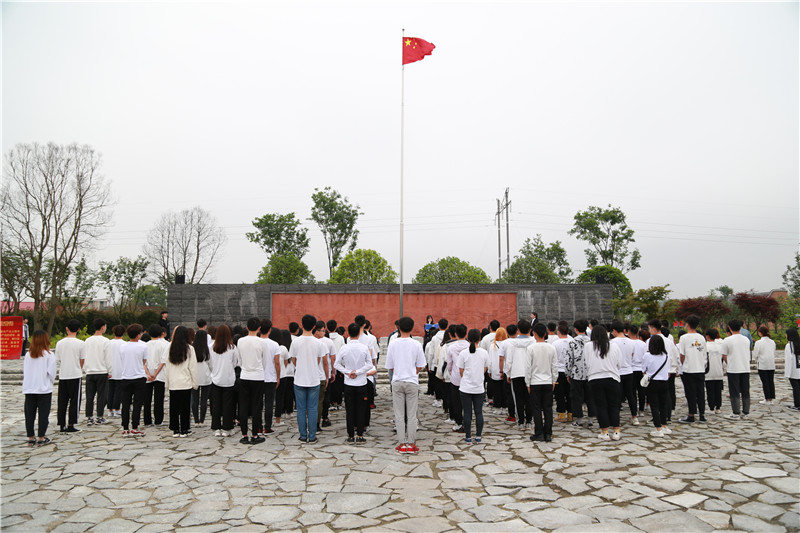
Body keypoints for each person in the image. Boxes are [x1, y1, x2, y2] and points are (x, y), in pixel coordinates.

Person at [386, 316, 427, 452]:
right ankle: (411, 443)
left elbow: (390, 366)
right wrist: (414, 372)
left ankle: (402, 443)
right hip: (412, 381)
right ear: (412, 328)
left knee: (399, 414)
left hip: (397, 381)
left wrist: (399, 371)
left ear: (398, 327)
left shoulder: (393, 344)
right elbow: (421, 364)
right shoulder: (416, 344)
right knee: (411, 414)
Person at [335, 322, 376, 444]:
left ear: (348, 333)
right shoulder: (364, 348)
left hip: (348, 383)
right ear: (359, 333)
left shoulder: (344, 348)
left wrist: (348, 372)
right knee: (361, 409)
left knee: (350, 409)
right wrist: (358, 372)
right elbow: (369, 364)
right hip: (361, 383)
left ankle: (350, 435)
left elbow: (336, 364)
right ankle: (360, 434)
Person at [291, 314, 325, 444]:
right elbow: (318, 360)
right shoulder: (318, 343)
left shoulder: (295, 341)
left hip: (299, 378)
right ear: (314, 327)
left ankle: (302, 435)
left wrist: (300, 367)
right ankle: (312, 436)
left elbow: (293, 359)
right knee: (312, 408)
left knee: (300, 409)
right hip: (313, 379)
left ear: (302, 324)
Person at [585, 325, 623, 441]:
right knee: (614, 405)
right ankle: (616, 431)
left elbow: (587, 362)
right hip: (612, 377)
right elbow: (619, 363)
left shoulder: (588, 346)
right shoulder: (613, 345)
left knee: (600, 406)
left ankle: (605, 432)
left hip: (595, 378)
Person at [23, 330, 57, 447]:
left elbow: (26, 370)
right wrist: (50, 382)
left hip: (30, 387)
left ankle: (31, 437)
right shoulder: (49, 355)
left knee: (29, 414)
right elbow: (52, 373)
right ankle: (41, 437)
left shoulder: (28, 355)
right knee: (43, 414)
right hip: (44, 388)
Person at [500, 320, 536, 431]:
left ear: (518, 330)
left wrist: (508, 373)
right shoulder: (534, 341)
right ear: (530, 329)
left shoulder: (512, 343)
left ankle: (520, 421)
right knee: (529, 398)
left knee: (518, 398)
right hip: (530, 373)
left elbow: (509, 360)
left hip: (516, 373)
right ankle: (529, 421)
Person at [237, 318, 268, 444]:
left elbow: (239, 360)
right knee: (257, 406)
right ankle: (255, 435)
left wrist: (245, 367)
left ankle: (244, 434)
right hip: (258, 376)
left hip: (244, 375)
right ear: (259, 328)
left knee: (243, 406)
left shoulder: (240, 341)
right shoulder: (262, 342)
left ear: (247, 327)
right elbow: (265, 361)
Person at [457, 328, 490, 444]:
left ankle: (468, 437)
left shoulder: (463, 353)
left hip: (466, 387)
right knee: (479, 412)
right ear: (479, 339)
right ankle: (478, 436)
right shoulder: (484, 353)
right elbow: (485, 369)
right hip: (479, 387)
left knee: (467, 413)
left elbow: (461, 371)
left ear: (468, 338)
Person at [526, 323, 558, 442]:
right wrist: (554, 380)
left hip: (535, 382)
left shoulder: (531, 348)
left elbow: (528, 367)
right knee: (548, 408)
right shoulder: (551, 348)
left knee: (536, 409)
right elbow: (554, 366)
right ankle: (548, 433)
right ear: (545, 333)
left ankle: (539, 433)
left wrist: (527, 383)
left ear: (534, 334)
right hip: (548, 381)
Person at [165, 326, 198, 438]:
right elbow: (193, 367)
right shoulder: (189, 349)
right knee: (185, 407)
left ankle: (175, 429)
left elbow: (167, 367)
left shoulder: (170, 348)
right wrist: (195, 383)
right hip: (185, 382)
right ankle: (184, 429)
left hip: (173, 382)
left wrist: (167, 383)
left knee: (174, 407)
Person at [118, 324, 150, 437]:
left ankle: (125, 428)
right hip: (139, 377)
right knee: (137, 404)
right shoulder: (143, 346)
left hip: (125, 377)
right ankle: (135, 427)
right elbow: (144, 361)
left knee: (125, 404)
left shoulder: (123, 346)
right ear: (138, 335)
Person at [55, 319, 85, 433]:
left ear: (66, 328)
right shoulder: (81, 343)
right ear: (78, 329)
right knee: (74, 401)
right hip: (75, 374)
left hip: (63, 374)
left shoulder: (59, 343)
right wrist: (78, 367)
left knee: (62, 401)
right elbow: (82, 359)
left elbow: (59, 359)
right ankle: (71, 424)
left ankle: (62, 424)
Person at [677, 315, 708, 423]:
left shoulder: (684, 338)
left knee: (690, 393)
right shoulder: (702, 337)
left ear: (687, 324)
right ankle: (702, 415)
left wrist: (683, 363)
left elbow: (682, 354)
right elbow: (704, 353)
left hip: (689, 369)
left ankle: (691, 415)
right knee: (700, 392)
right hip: (700, 368)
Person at [209, 324, 238, 436]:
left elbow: (210, 363)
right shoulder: (232, 348)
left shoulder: (211, 347)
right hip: (228, 379)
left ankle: (216, 428)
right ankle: (227, 428)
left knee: (216, 405)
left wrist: (215, 371)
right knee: (228, 405)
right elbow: (235, 363)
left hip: (216, 378)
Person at [720, 319, 752, 420]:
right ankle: (746, 412)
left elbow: (724, 354)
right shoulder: (746, 339)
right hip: (745, 368)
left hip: (733, 368)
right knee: (745, 391)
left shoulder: (727, 340)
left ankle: (736, 412)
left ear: (729, 328)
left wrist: (729, 363)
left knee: (734, 391)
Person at [565, 319, 593, 428]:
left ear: (575, 329)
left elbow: (569, 359)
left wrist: (568, 373)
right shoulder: (591, 341)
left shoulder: (572, 342)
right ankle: (590, 419)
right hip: (590, 373)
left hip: (576, 373)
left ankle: (579, 420)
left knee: (576, 397)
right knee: (590, 396)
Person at [643, 334, 672, 438]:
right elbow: (668, 370)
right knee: (663, 405)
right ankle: (664, 425)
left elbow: (644, 369)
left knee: (654, 406)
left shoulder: (647, 356)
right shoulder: (666, 356)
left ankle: (658, 428)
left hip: (653, 382)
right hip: (664, 382)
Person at [83, 318, 111, 426]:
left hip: (90, 371)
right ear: (103, 327)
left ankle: (89, 417)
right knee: (101, 396)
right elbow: (108, 358)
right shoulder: (105, 341)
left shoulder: (87, 341)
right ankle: (99, 416)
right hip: (102, 371)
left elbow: (85, 356)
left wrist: (86, 368)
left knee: (89, 396)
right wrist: (110, 370)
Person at [611, 321, 638, 426]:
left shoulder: (613, 343)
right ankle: (634, 417)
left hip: (617, 372)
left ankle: (615, 417)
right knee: (630, 394)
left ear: (614, 330)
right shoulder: (631, 342)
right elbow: (632, 356)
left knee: (617, 395)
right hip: (629, 371)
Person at [259, 319, 282, 435]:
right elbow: (277, 363)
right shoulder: (274, 344)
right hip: (270, 377)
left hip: (257, 377)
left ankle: (258, 426)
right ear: (270, 330)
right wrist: (278, 377)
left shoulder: (256, 342)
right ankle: (267, 426)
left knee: (258, 403)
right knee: (269, 403)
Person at [446, 324, 470, 433]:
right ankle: (467, 422)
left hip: (455, 377)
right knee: (467, 402)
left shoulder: (451, 347)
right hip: (468, 377)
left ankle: (459, 423)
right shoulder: (470, 346)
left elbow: (449, 364)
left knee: (456, 402)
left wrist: (451, 373)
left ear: (455, 334)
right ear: (466, 333)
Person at [144, 325, 168, 427]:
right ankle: (158, 420)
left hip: (148, 375)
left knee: (147, 399)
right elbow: (163, 361)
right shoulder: (164, 345)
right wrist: (155, 374)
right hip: (160, 374)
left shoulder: (145, 345)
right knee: (159, 398)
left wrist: (148, 373)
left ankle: (147, 420)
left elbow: (143, 362)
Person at [192, 330, 213, 427]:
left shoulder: (192, 349)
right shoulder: (207, 349)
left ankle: (196, 420)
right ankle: (202, 420)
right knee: (204, 400)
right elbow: (211, 364)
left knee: (195, 400)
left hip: (194, 376)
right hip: (205, 376)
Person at [552, 322, 572, 422]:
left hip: (559, 371)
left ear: (558, 332)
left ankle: (561, 414)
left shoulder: (555, 343)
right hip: (570, 371)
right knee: (570, 393)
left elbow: (553, 358)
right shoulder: (572, 341)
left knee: (559, 394)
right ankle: (571, 414)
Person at [274, 329, 294, 425]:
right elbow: (288, 361)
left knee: (279, 395)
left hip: (280, 373)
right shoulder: (288, 347)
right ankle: (289, 411)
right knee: (289, 393)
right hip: (288, 373)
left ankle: (281, 411)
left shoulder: (278, 347)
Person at [753, 326, 776, 405]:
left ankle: (767, 398)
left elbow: (756, 354)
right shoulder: (772, 342)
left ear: (760, 333)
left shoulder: (758, 343)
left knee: (765, 381)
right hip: (771, 363)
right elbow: (773, 351)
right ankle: (771, 398)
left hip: (762, 363)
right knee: (771, 381)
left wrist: (756, 360)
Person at [107, 325, 126, 418]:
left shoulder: (109, 343)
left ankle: (110, 410)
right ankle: (117, 409)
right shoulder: (124, 344)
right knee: (118, 391)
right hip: (120, 370)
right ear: (124, 333)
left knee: (110, 391)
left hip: (110, 370)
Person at [487, 327, 508, 414]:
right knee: (504, 390)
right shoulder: (507, 344)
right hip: (505, 369)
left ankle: (498, 407)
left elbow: (490, 360)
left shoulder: (493, 346)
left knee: (496, 390)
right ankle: (504, 407)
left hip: (495, 370)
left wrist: (489, 370)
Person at [705, 329, 724, 414]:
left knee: (710, 391)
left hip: (709, 372)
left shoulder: (706, 346)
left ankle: (711, 408)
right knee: (718, 391)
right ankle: (718, 408)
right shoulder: (720, 346)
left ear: (707, 336)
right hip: (719, 371)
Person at [785, 328, 800, 410]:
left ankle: (797, 404)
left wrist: (787, 373)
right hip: (799, 368)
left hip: (793, 370)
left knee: (795, 388)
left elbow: (789, 360)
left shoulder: (789, 346)